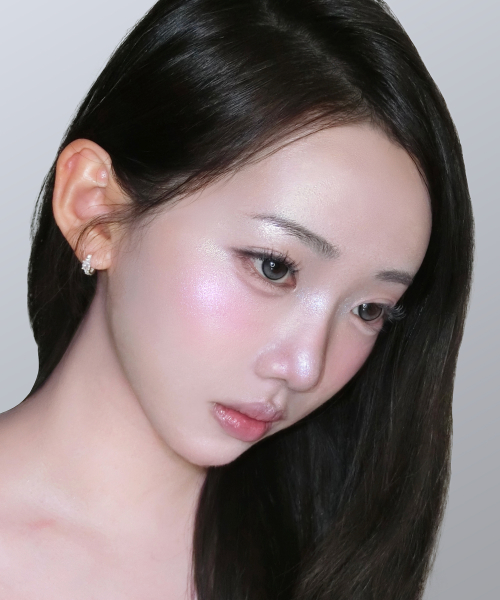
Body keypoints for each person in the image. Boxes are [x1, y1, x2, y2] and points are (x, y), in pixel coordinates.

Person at [0, 0, 473, 598]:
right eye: (274, 267)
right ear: (95, 207)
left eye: (368, 309)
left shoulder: (334, 569)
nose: (305, 367)